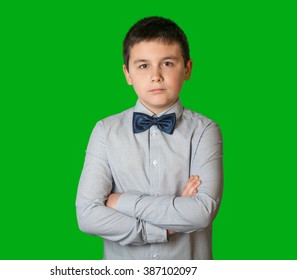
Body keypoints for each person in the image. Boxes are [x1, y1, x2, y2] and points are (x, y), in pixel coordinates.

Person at [76, 16, 223, 260]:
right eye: (143, 65)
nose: (155, 76)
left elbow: (201, 212)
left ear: (187, 68)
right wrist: (167, 226)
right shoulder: (105, 131)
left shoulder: (205, 131)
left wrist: (120, 201)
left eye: (167, 63)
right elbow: (87, 215)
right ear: (127, 73)